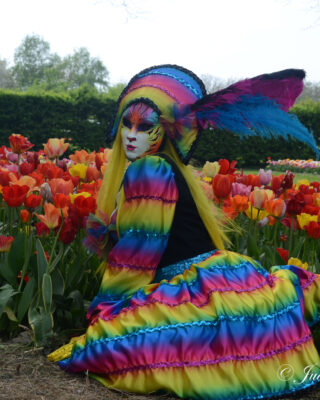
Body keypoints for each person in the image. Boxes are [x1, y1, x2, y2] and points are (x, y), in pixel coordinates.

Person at [49, 65, 320, 399]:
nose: (132, 134)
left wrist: (107, 309)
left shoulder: (150, 170)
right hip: (224, 278)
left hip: (198, 287)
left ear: (163, 132)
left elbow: (138, 255)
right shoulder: (164, 168)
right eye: (126, 124)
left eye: (145, 126)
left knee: (110, 343)